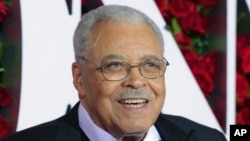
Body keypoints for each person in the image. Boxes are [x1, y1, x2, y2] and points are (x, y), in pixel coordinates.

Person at [1, 5, 227, 141]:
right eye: (115, 66)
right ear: (79, 79)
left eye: (150, 65)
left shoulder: (207, 139)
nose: (137, 81)